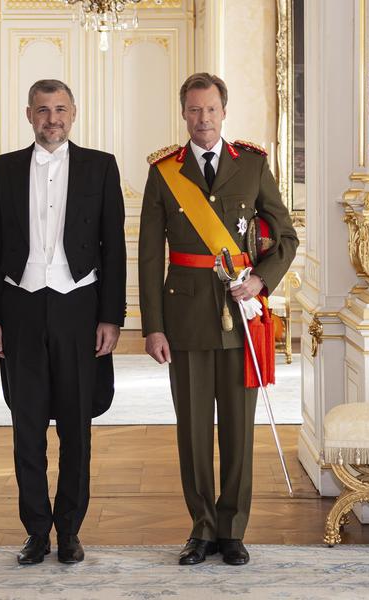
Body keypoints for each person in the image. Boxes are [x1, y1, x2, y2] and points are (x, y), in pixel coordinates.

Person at [138, 72, 299, 566]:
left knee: (237, 430)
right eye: (194, 110)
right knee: (192, 431)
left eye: (210, 109)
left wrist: (261, 281)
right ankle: (201, 529)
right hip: (185, 317)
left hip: (240, 316)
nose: (202, 119)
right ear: (183, 113)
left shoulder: (251, 164)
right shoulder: (164, 171)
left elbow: (286, 237)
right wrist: (153, 326)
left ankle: (232, 530)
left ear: (223, 112)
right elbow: (149, 255)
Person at [0, 79, 126, 565]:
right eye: (43, 110)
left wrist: (111, 317)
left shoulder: (100, 166)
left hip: (78, 307)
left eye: (60, 109)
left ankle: (70, 530)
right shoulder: (3, 168)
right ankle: (36, 532)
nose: (52, 119)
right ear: (29, 115)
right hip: (19, 307)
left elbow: (114, 247)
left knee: (76, 428)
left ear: (73, 113)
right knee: (27, 427)